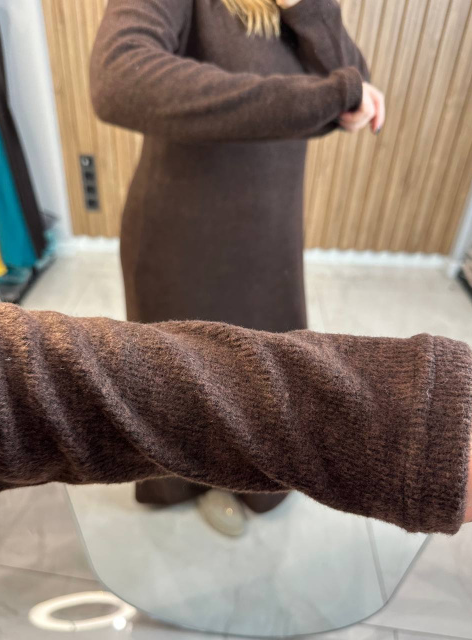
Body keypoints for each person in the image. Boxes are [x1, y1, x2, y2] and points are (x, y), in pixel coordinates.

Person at [89, 0, 385, 528]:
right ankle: (192, 481)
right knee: (183, 380)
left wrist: (306, 9)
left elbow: (354, 85)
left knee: (268, 377)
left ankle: (252, 478)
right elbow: (118, 77)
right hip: (183, 241)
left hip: (271, 240)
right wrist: (326, 96)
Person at [0, 300, 472, 536]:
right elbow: (1, 389)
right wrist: (403, 422)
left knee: (259, 329)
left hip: (270, 202)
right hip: (186, 204)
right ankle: (186, 495)